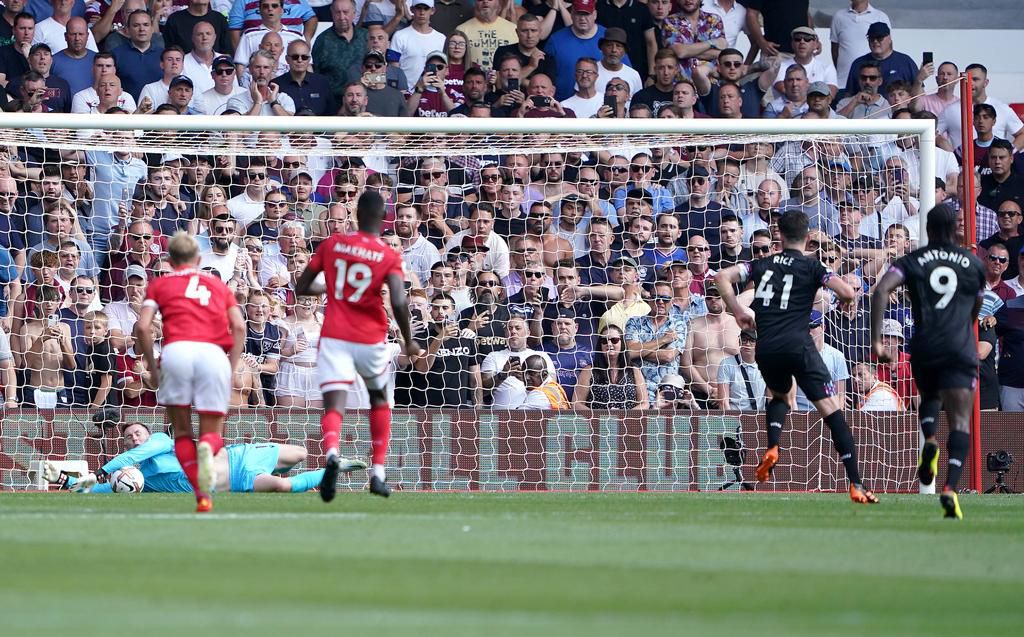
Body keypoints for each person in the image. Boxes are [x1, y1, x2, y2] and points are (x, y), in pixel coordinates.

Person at [716, 210, 879, 504]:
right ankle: (856, 483)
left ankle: (774, 445)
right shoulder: (812, 265)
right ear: (806, 238)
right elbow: (846, 291)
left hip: (766, 347)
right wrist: (843, 299)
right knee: (831, 410)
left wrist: (738, 310)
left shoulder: (760, 264)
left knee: (780, 397)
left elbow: (721, 276)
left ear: (778, 234)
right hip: (799, 345)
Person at [295, 191, 420, 501]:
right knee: (378, 399)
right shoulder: (389, 255)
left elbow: (302, 286)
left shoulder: (333, 244)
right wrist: (408, 339)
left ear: (356, 214)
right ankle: (378, 472)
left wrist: (335, 287)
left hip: (335, 334)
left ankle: (333, 453)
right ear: (383, 217)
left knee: (334, 402)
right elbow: (400, 300)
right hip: (371, 337)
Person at [870, 203, 985, 519]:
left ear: (929, 231)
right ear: (955, 229)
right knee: (960, 420)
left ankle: (929, 440)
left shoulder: (912, 260)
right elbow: (977, 303)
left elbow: (880, 291)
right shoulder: (974, 264)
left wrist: (877, 340)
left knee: (929, 397)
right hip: (961, 348)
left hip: (925, 347)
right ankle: (949, 488)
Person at [135, 231, 246, 513]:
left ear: (170, 260)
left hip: (177, 352)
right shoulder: (217, 284)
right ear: (198, 259)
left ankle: (201, 496)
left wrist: (151, 364)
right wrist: (231, 367)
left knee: (181, 431)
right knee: (212, 432)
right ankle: (208, 447)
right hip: (212, 354)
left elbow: (144, 327)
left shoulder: (159, 284)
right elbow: (240, 327)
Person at [45, 421, 364, 494]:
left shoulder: (161, 441)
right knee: (281, 487)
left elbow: (141, 452)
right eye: (128, 436)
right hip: (239, 480)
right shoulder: (143, 480)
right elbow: (101, 490)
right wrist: (67, 482)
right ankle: (333, 471)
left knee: (301, 452)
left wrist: (103, 469)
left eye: (137, 432)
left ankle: (312, 468)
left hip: (239, 455)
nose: (134, 438)